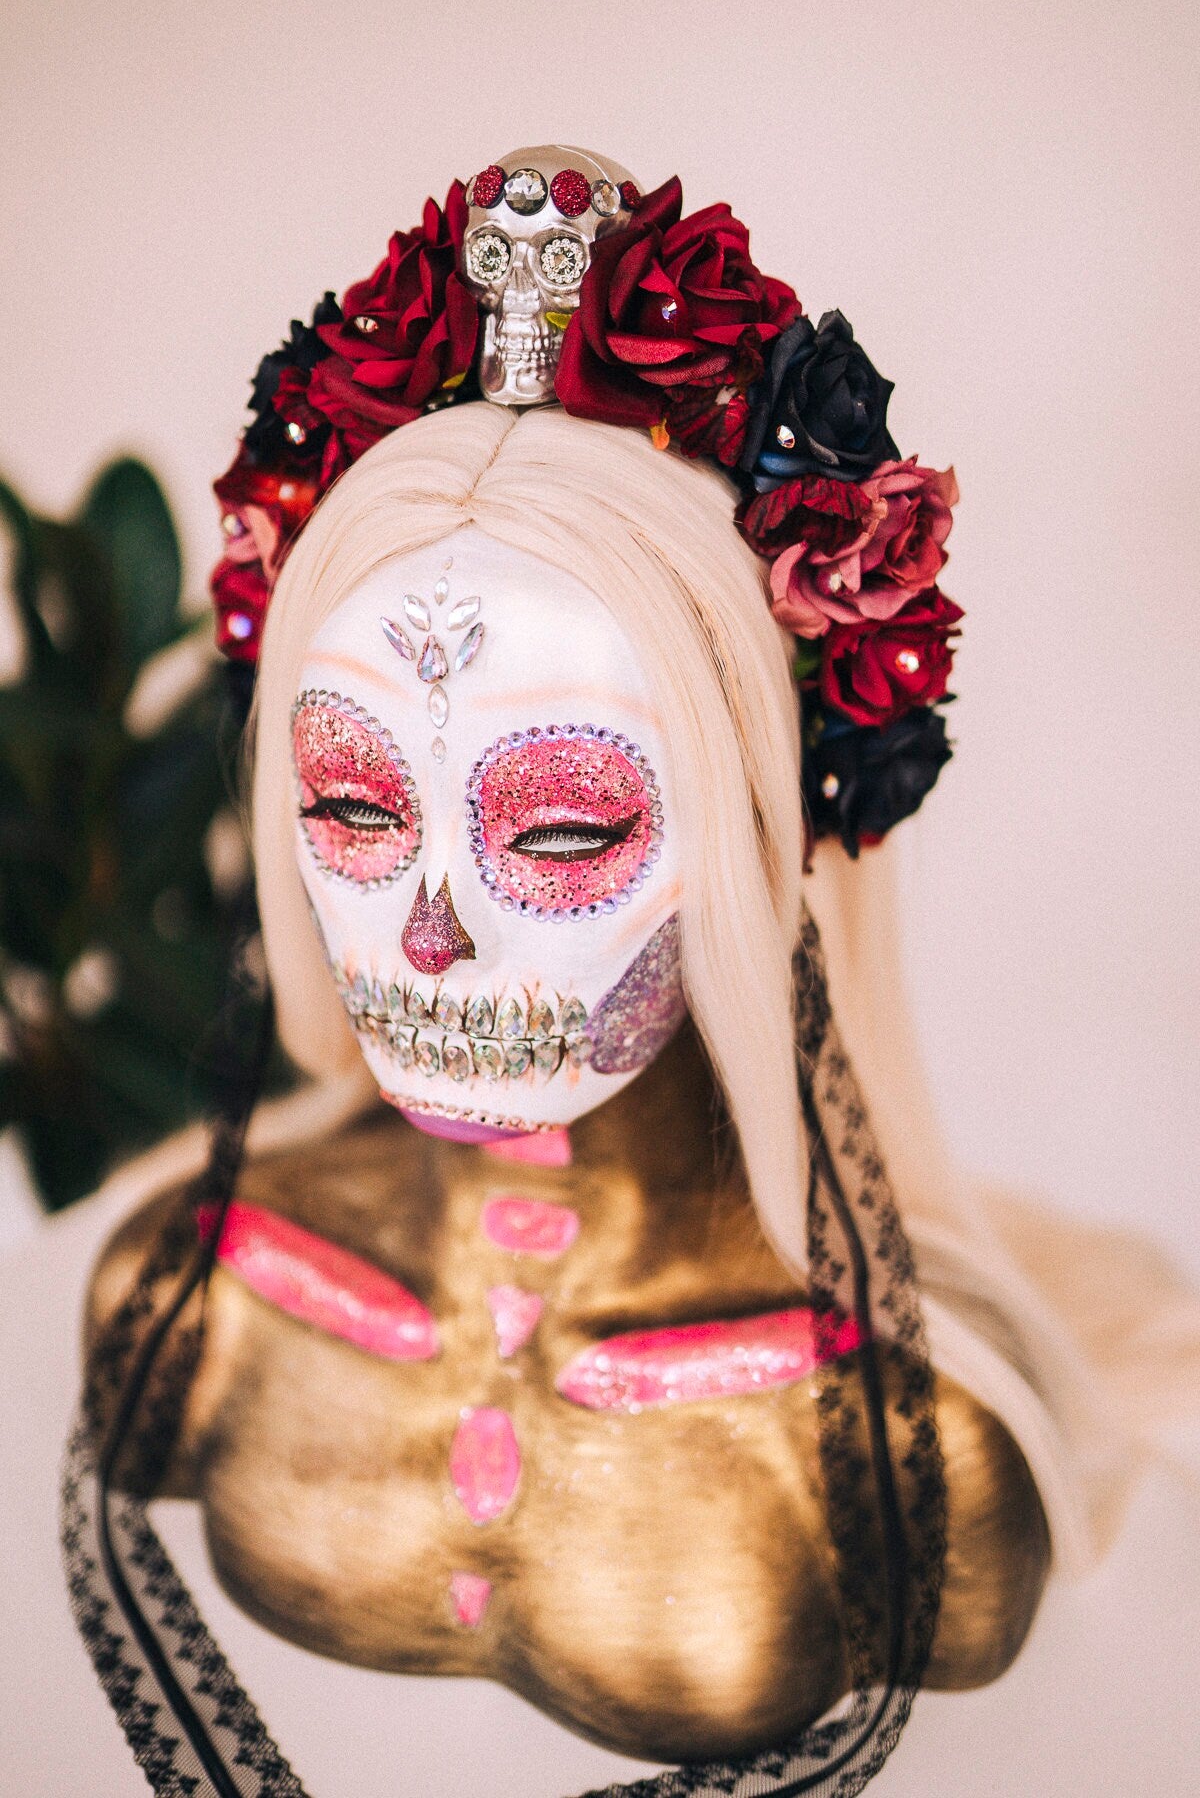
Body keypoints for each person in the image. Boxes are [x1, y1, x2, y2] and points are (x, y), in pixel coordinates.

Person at [67, 148, 1200, 1798]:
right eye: (355, 804)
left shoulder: (909, 1458)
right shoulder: (189, 1300)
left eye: (558, 830)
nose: (435, 930)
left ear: (755, 833)